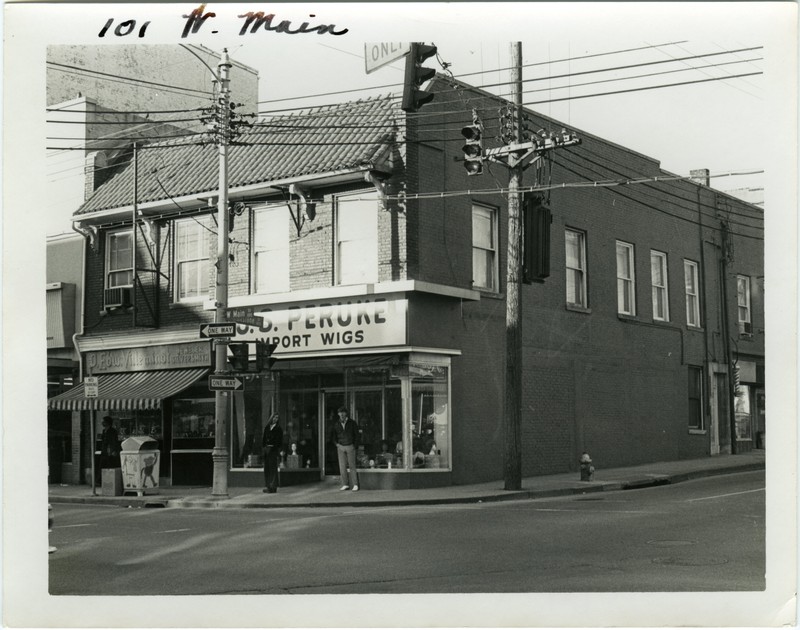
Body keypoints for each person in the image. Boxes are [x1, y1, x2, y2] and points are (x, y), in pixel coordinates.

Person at [332, 406, 359, 491]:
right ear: (338, 414)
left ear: (346, 413)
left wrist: (354, 446)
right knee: (342, 466)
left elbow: (357, 435)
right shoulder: (336, 424)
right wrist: (337, 444)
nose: (342, 414)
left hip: (350, 445)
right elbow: (333, 436)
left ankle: (355, 484)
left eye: (343, 412)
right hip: (341, 447)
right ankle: (345, 484)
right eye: (340, 413)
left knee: (352, 466)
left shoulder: (352, 423)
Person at [262, 413, 283, 493]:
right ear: (271, 418)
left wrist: (276, 449)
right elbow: (264, 439)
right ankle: (268, 486)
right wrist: (264, 447)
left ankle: (273, 486)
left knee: (273, 468)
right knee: (267, 468)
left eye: (277, 418)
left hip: (273, 450)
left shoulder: (278, 429)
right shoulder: (267, 428)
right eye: (274, 417)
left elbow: (279, 441)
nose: (275, 419)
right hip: (267, 449)